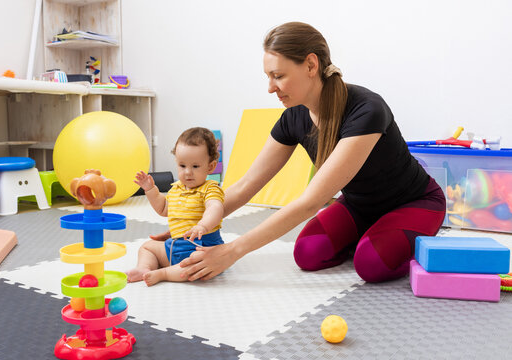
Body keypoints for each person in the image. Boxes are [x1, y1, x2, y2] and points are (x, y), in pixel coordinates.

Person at [176, 21, 446, 283]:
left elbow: (310, 202)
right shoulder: (293, 118)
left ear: (310, 65)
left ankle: (395, 237)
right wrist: (186, 228)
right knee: (307, 253)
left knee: (371, 264)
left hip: (413, 203)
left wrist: (231, 252)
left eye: (278, 76)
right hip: (360, 207)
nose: (270, 88)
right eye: (268, 77)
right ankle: (373, 235)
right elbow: (246, 185)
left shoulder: (366, 109)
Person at [126, 127, 225, 286]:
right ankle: (144, 268)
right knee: (147, 247)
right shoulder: (176, 188)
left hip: (200, 248)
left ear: (211, 167)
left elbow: (215, 208)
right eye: (182, 165)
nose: (187, 172)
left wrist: (203, 226)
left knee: (193, 267)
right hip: (174, 246)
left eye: (195, 166)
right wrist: (150, 190)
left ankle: (164, 273)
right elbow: (163, 209)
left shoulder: (210, 188)